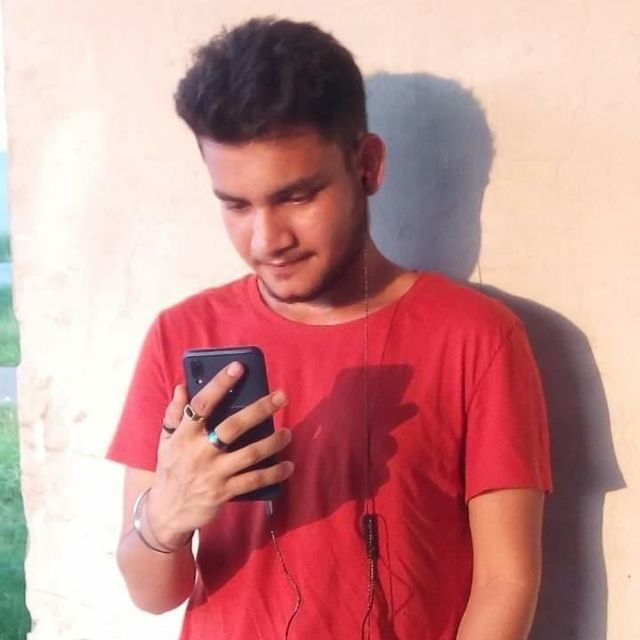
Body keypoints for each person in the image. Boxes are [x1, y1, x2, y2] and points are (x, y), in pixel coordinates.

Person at [108, 16, 552, 640]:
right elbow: (153, 595)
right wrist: (165, 518)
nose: (267, 240)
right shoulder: (183, 334)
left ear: (367, 165)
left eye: (297, 196)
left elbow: (506, 581)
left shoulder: (477, 338)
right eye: (236, 205)